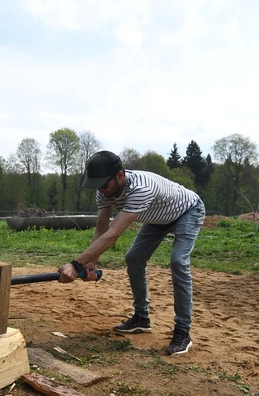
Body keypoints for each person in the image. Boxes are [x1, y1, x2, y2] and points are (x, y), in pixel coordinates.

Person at [58, 151, 205, 356]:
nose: (101, 190)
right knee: (133, 258)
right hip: (157, 218)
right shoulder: (103, 190)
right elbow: (101, 229)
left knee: (178, 262)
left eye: (104, 185)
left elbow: (113, 234)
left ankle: (183, 331)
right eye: (97, 185)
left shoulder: (140, 188)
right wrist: (90, 262)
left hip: (187, 211)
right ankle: (141, 318)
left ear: (120, 176)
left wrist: (76, 264)